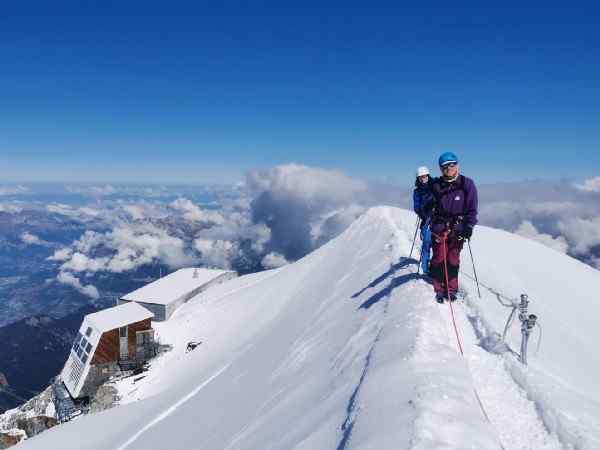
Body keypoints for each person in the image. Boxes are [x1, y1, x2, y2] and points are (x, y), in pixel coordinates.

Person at [429, 152, 478, 302]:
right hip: (439, 228)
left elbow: (472, 208)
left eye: (452, 164)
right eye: (445, 166)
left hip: (458, 228)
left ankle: (451, 289)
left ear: (457, 165)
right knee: (439, 258)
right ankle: (439, 288)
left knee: (453, 259)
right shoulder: (436, 185)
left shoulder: (467, 184)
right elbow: (426, 204)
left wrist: (469, 226)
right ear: (440, 168)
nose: (449, 168)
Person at [412, 166, 434, 274]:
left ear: (428, 176)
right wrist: (424, 213)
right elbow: (416, 207)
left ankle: (436, 267)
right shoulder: (417, 192)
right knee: (427, 243)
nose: (423, 178)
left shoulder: (435, 186)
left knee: (437, 245)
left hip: (437, 218)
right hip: (426, 220)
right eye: (420, 177)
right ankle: (426, 269)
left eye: (424, 176)